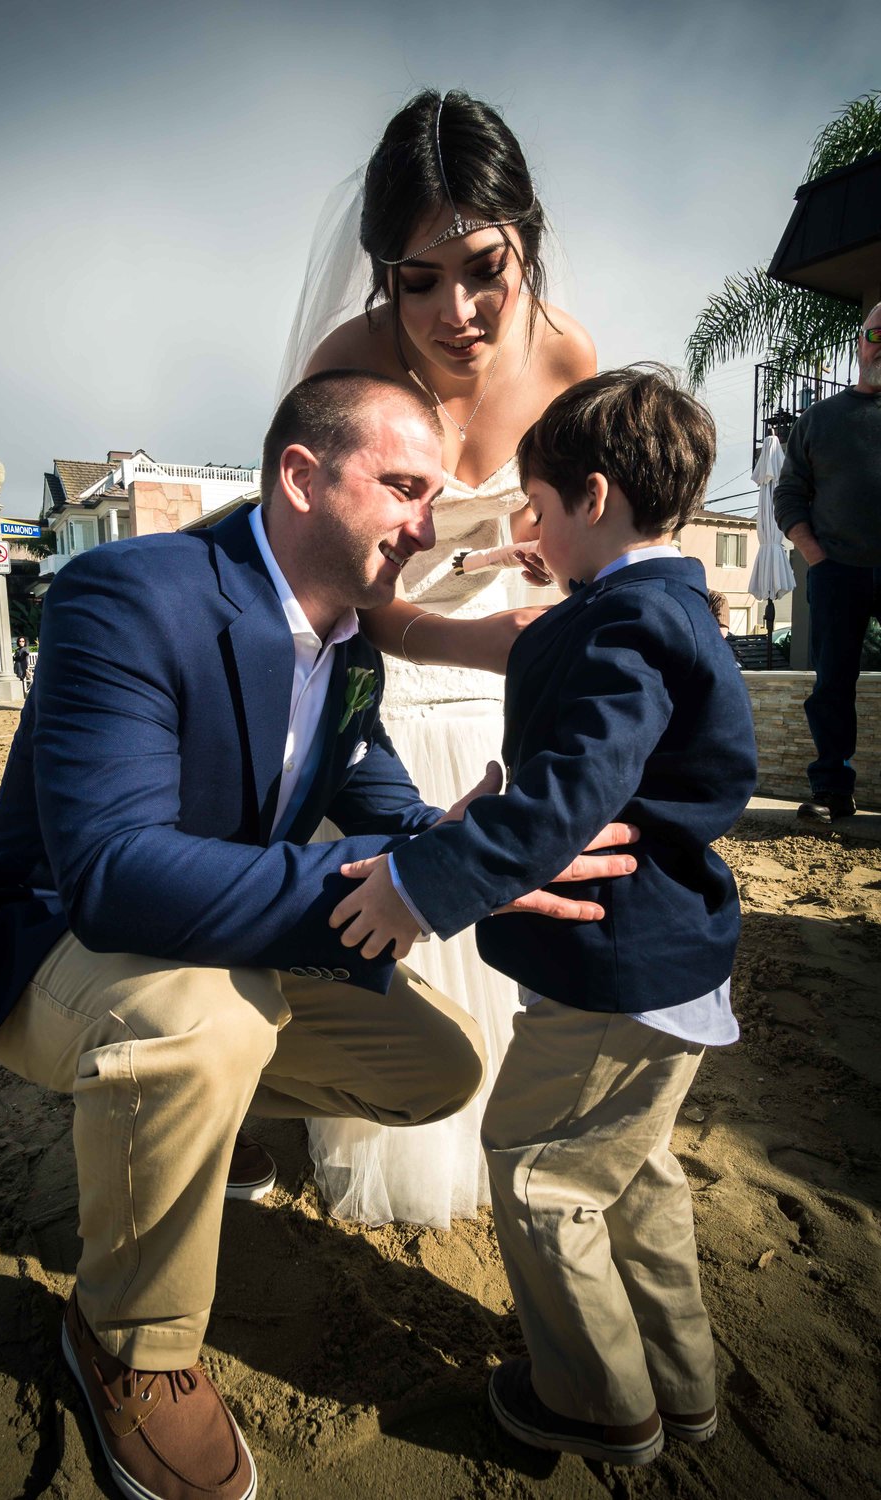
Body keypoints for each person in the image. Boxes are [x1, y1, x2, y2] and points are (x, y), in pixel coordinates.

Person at [0, 371, 637, 1500]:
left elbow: (384, 801)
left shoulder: (348, 646)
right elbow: (110, 874)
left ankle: (173, 1117)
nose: (425, 521)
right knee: (204, 1023)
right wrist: (394, 874)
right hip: (44, 935)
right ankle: (127, 1343)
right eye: (402, 487)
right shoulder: (125, 593)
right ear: (300, 476)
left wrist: (480, 849)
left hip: (211, 938)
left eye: (431, 494)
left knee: (434, 1068)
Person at [332, 368, 759, 1467]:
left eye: (539, 508)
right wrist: (564, 574)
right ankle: (679, 1374)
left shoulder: (621, 628)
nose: (528, 530)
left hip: (615, 971)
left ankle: (597, 1397)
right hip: (669, 959)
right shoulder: (659, 602)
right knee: (630, 1171)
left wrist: (420, 885)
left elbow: (565, 795)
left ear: (596, 496)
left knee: (536, 1168)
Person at [286, 87, 597, 1226]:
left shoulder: (569, 358)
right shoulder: (344, 369)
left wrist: (547, 567)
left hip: (526, 676)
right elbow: (320, 593)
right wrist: (470, 635)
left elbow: (597, 547)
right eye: (418, 281)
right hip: (390, 680)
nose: (456, 310)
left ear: (526, 239)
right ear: (380, 275)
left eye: (483, 269)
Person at [773, 304, 881, 823]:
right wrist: (817, 558)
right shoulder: (820, 419)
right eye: (878, 333)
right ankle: (832, 790)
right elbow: (789, 494)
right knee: (832, 682)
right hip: (837, 570)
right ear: (860, 343)